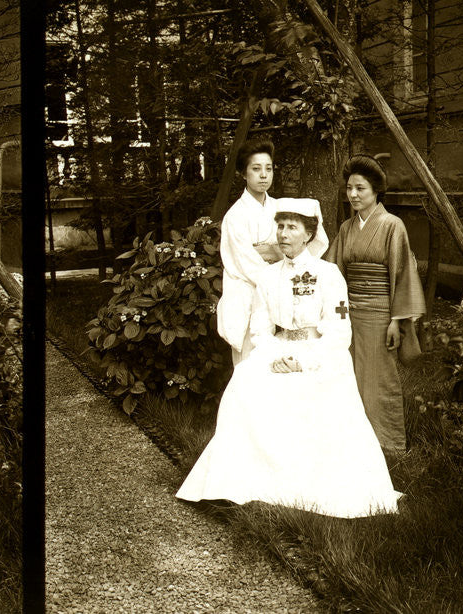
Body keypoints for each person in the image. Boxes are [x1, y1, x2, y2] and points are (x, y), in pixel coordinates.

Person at [177, 198, 400, 518]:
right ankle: (243, 478)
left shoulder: (329, 274)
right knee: (244, 381)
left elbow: (340, 331)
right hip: (278, 351)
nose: (282, 233)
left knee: (312, 387)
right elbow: (260, 330)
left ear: (308, 234)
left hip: (321, 352)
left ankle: (310, 483)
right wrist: (273, 357)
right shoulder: (268, 278)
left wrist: (307, 361)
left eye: (292, 227)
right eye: (279, 226)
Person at [325, 154, 425, 453]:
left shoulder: (393, 225)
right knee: (348, 377)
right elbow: (332, 270)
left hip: (381, 314)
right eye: (350, 188)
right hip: (349, 313)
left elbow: (402, 273)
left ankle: (388, 443)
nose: (353, 195)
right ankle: (353, 444)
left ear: (376, 192)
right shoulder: (346, 228)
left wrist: (397, 320)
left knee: (381, 380)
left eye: (360, 189)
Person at [217, 139, 328, 366]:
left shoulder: (280, 208)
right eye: (256, 169)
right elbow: (245, 263)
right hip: (249, 293)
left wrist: (273, 254)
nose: (263, 175)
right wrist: (278, 262)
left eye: (268, 168)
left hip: (282, 291)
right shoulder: (235, 216)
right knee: (249, 365)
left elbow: (307, 242)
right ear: (243, 173)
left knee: (280, 365)